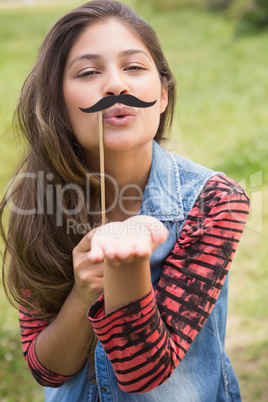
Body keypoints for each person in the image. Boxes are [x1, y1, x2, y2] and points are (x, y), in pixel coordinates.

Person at [0, 1, 250, 401]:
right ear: (58, 105)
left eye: (134, 67)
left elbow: (146, 372)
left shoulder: (214, 203)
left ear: (163, 95)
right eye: (88, 72)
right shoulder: (37, 202)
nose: (116, 86)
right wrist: (84, 290)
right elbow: (45, 368)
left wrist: (126, 265)